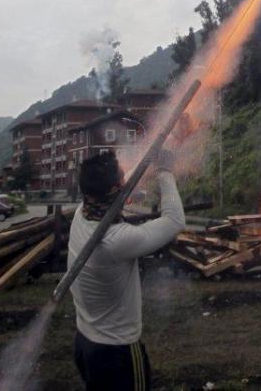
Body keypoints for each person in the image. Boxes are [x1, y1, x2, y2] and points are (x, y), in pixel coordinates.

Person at [68, 149, 184, 390]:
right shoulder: (115, 240)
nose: (125, 180)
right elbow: (174, 221)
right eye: (121, 178)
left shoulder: (83, 212)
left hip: (85, 342)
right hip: (116, 353)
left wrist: (155, 152)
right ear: (113, 190)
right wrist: (165, 171)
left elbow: (124, 186)